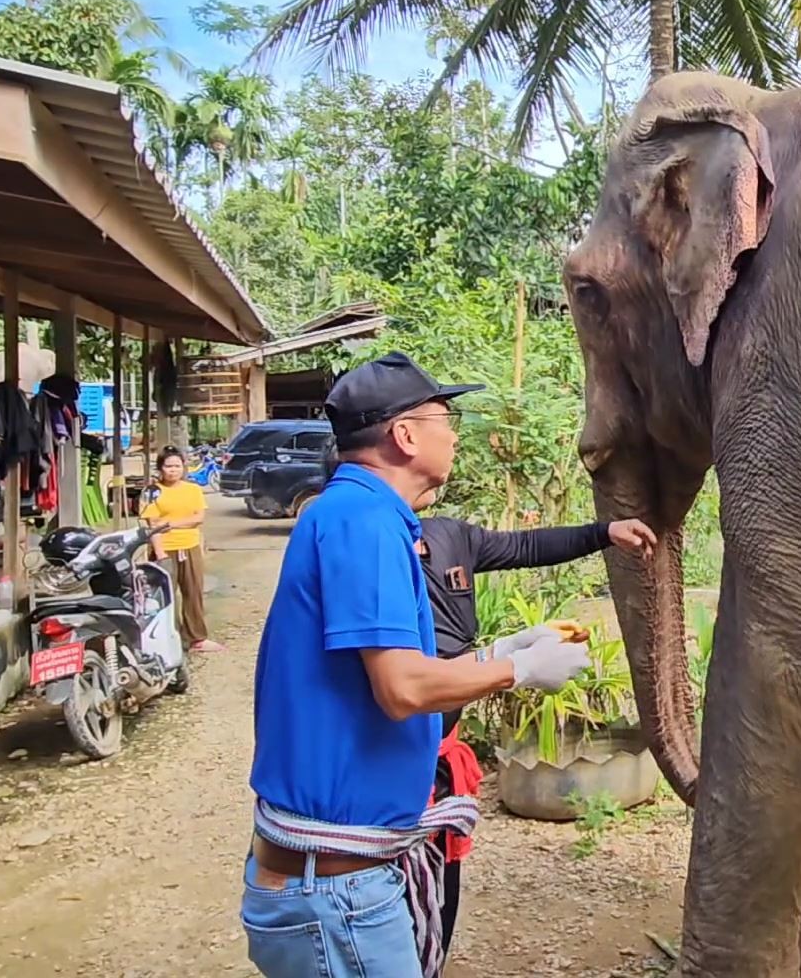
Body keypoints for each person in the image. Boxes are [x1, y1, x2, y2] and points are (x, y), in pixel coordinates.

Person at [242, 351, 592, 978]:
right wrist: (518, 671)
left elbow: (379, 675)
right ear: (404, 435)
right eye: (443, 417)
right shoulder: (365, 521)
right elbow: (401, 688)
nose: (454, 433)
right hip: (335, 896)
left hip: (330, 881)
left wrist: (499, 652)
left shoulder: (353, 515)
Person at [419, 508, 658, 944]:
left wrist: (605, 532)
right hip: (393, 767)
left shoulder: (449, 536)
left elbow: (524, 547)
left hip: (439, 763)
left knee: (437, 911)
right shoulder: (368, 553)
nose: (452, 441)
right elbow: (401, 682)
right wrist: (515, 661)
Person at [140, 446, 219, 653]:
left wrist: (171, 523)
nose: (173, 470)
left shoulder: (192, 489)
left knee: (193, 592)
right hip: (165, 548)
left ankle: (197, 638)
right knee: (165, 596)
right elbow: (153, 525)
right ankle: (168, 638)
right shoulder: (153, 491)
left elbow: (198, 518)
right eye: (168, 466)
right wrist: (160, 553)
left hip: (190, 546)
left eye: (177, 466)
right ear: (161, 468)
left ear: (183, 467)